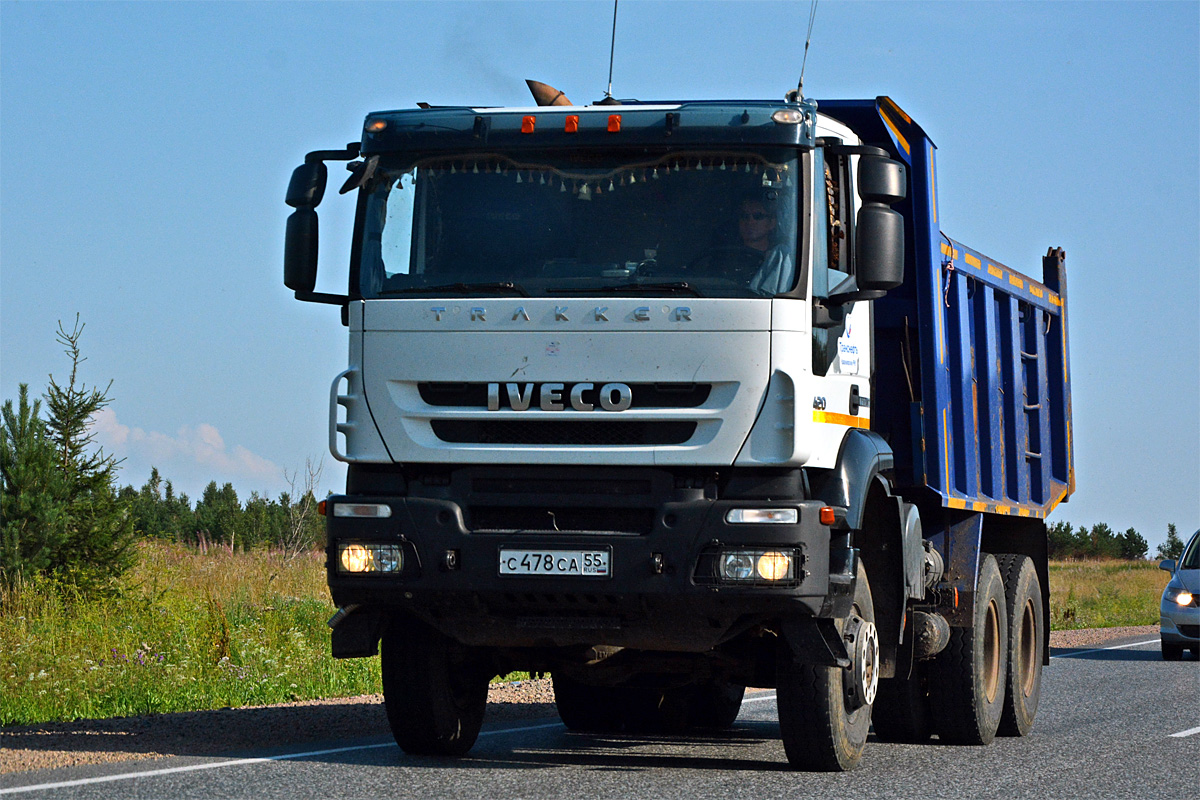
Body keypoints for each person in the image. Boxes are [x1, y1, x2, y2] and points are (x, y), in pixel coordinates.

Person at [738, 193, 794, 295]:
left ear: (772, 222)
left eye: (757, 216)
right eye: (744, 216)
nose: (750, 221)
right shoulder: (723, 258)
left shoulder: (781, 260)